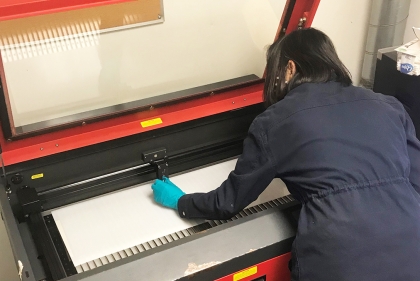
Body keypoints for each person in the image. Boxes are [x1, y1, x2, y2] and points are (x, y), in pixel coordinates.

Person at [151, 28, 420, 281]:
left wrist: (181, 202)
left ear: (290, 68)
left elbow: (227, 203)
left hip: (342, 260)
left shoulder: (276, 121)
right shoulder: (389, 105)